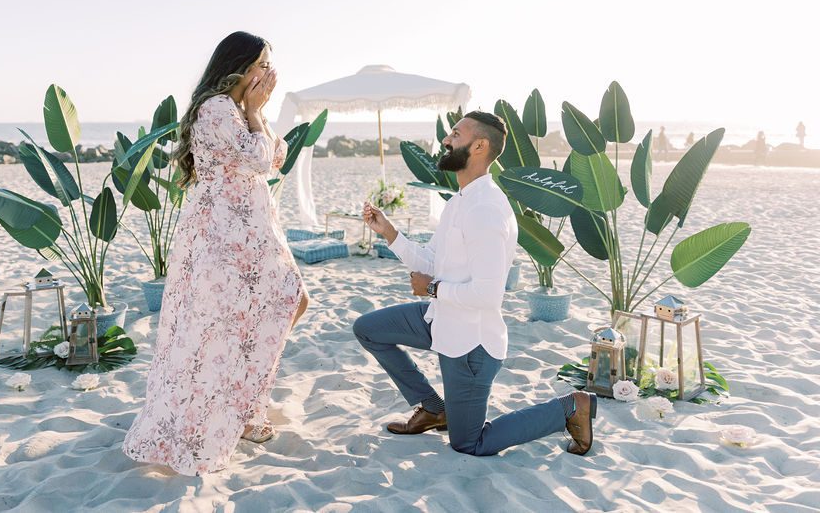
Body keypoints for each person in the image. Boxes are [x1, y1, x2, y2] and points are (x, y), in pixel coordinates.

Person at [353, 111, 597, 458]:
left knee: (469, 443)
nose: (446, 140)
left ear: (479, 146)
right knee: (368, 329)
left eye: (455, 133)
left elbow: (486, 295)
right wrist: (389, 233)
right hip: (441, 319)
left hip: (471, 345)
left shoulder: (486, 210)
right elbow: (432, 262)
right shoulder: (460, 202)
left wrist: (433, 290)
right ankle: (434, 408)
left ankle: (570, 408)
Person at [122, 31, 309, 476]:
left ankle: (242, 406)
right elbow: (262, 158)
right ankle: (237, 412)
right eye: (261, 64)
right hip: (228, 239)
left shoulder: (239, 110)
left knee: (282, 304)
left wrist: (256, 115)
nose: (268, 73)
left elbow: (275, 153)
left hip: (251, 235)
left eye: (269, 65)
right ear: (238, 67)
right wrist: (255, 114)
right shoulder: (217, 109)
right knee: (233, 322)